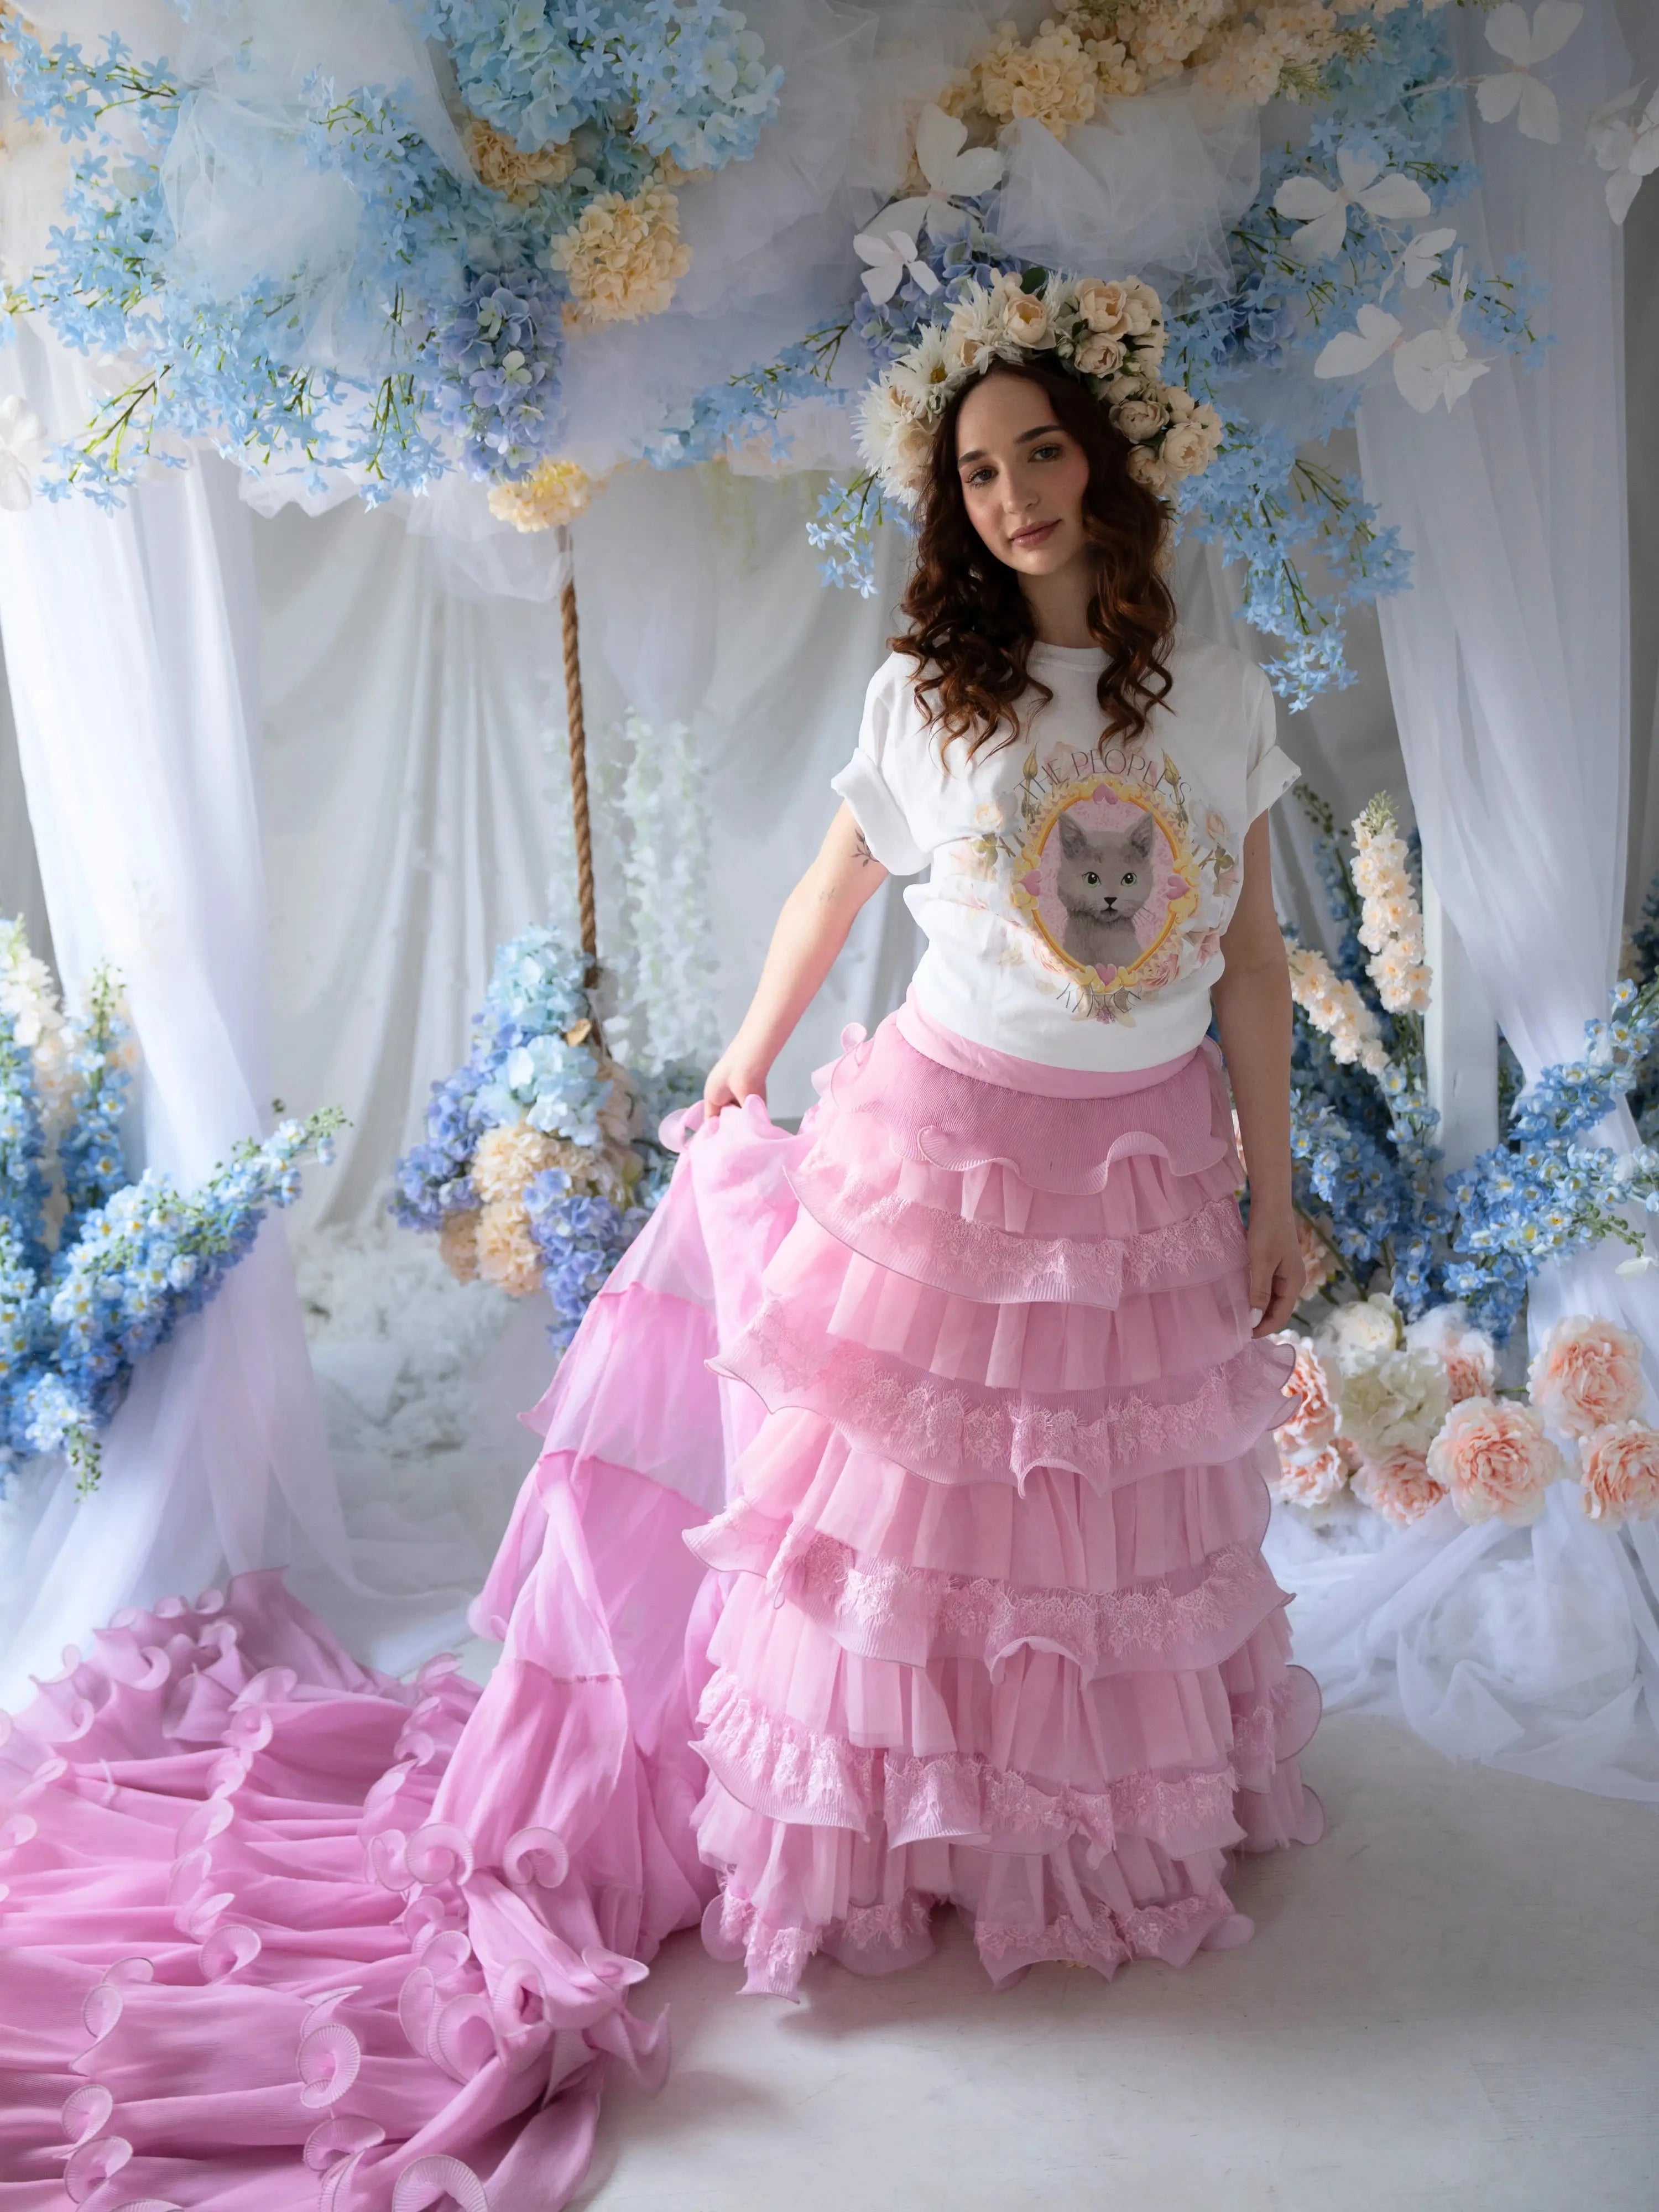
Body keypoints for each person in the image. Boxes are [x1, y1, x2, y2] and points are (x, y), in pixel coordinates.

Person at [0, 307, 1321, 2210]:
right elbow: (833, 885)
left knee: (1083, 1533)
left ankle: (1060, 1818)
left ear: (1102, 463)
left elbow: (1258, 972)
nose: (1015, 494)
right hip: (950, 1136)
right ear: (948, 506)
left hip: (1135, 1165)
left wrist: (1270, 1192)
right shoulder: (928, 693)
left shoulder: (1211, 690)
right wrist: (750, 1055)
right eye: (976, 470)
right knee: (918, 1518)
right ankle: (898, 1830)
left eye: (1040, 453)